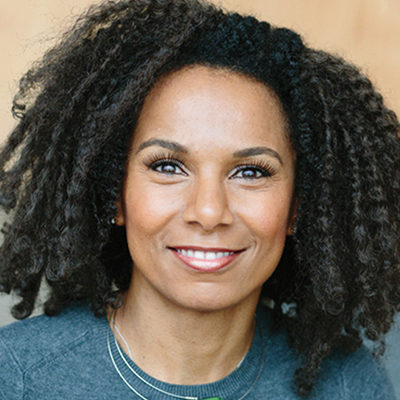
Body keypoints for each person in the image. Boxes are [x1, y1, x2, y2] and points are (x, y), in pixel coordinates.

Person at [0, 0, 399, 398]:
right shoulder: (17, 378)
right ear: (115, 195)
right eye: (168, 166)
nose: (208, 212)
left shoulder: (347, 384)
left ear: (298, 207)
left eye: (251, 172)